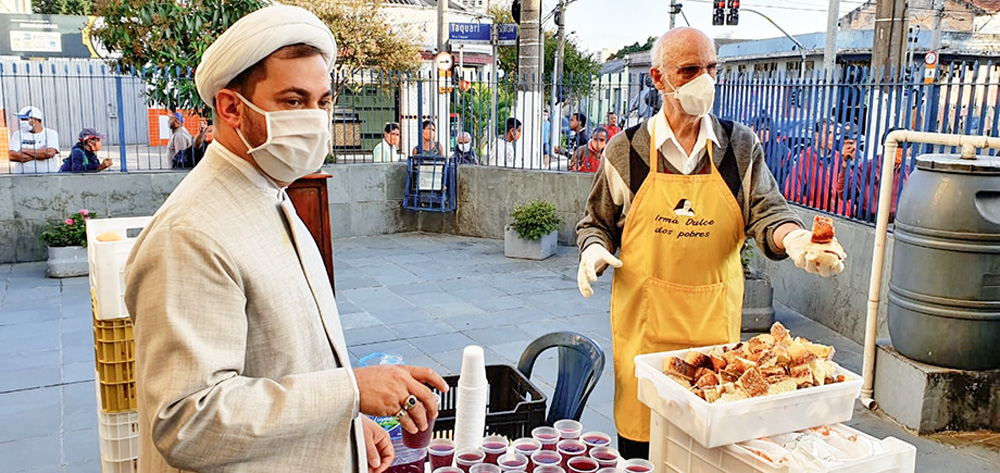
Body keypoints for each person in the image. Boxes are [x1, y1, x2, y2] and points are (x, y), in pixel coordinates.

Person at [123, 6, 448, 471]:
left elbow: (281, 362)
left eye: (322, 101)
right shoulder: (190, 234)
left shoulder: (269, 191)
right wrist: (351, 390)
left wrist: (343, 425)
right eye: (293, 101)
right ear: (231, 107)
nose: (315, 119)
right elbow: (186, 422)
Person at [574, 27, 847, 460]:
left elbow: (768, 211)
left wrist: (796, 241)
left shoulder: (739, 147)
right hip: (645, 335)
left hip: (714, 342)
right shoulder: (626, 151)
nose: (706, 80)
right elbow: (597, 222)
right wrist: (592, 249)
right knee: (645, 452)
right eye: (689, 70)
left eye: (711, 68)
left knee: (708, 454)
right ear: (659, 79)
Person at [836, 128, 908, 221]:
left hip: (894, 222)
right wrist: (845, 166)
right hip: (866, 220)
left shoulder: (907, 172)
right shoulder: (867, 168)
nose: (907, 153)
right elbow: (844, 194)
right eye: (901, 149)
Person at [784, 118, 844, 212]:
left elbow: (846, 194)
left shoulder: (839, 159)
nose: (832, 137)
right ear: (816, 135)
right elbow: (791, 193)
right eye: (828, 133)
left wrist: (841, 212)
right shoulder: (805, 159)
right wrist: (816, 207)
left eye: (834, 134)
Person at [8, 106, 60, 173]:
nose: (22, 122)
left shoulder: (51, 133)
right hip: (22, 178)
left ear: (35, 120)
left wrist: (24, 150)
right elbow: (12, 156)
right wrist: (40, 155)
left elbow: (49, 153)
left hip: (48, 177)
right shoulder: (17, 134)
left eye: (25, 119)